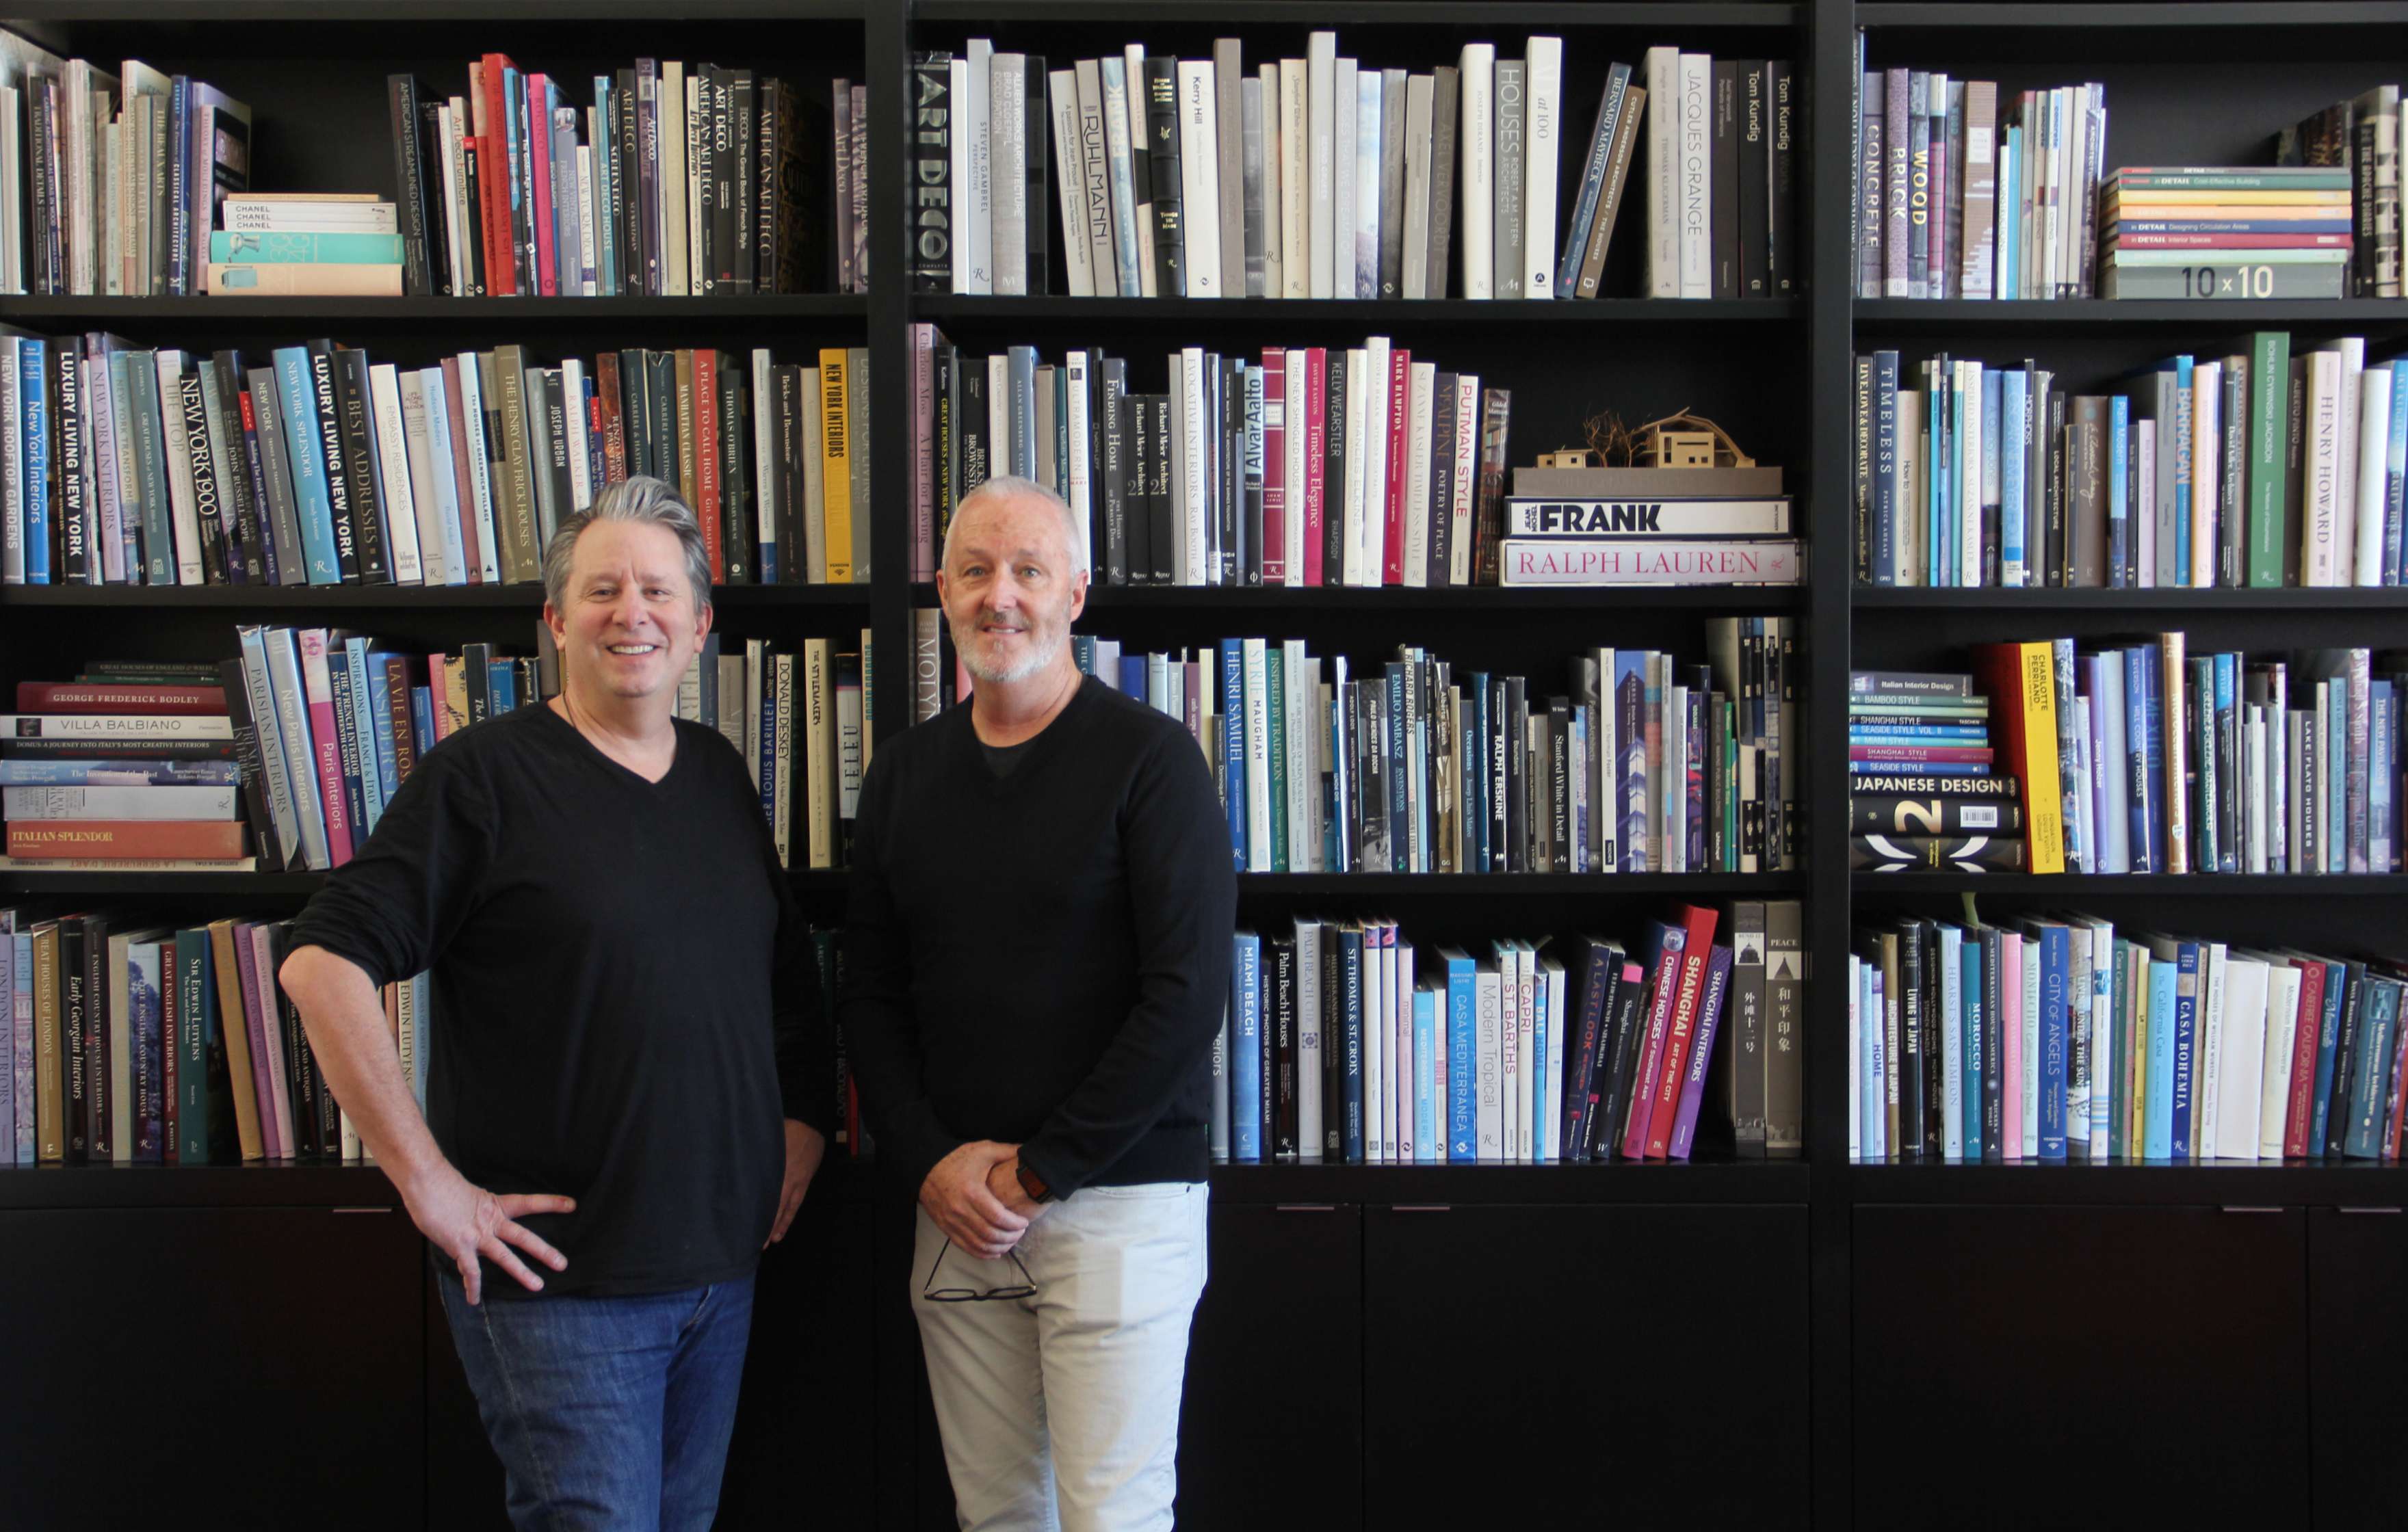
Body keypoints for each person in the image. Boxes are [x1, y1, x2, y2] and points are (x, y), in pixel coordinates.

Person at [280, 476, 834, 1532]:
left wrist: (801, 1120)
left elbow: (780, 977)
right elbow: (321, 964)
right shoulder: (480, 781)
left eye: (660, 591)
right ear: (555, 619)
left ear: (701, 623)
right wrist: (430, 1185)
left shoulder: (718, 775)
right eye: (603, 589)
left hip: (721, 1273)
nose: (634, 612)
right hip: (562, 1296)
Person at [841, 475, 1236, 1531]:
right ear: (942, 590)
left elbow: (1188, 997)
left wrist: (1037, 1171)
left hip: (1115, 1206)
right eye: (975, 570)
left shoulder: (1153, 763)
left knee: (1111, 1515)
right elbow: (869, 996)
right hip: (957, 1209)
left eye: (1028, 570)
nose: (999, 595)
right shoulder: (901, 779)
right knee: (999, 1517)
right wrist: (931, 1161)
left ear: (1077, 593)